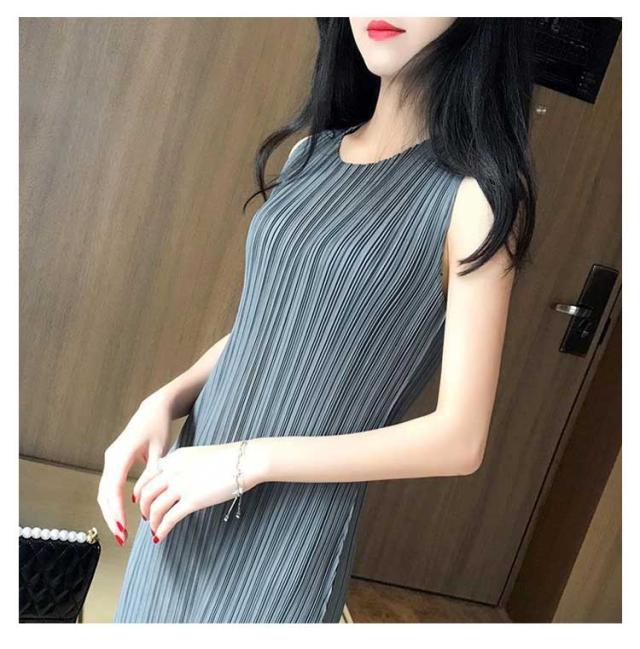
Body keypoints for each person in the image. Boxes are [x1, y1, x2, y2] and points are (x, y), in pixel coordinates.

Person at [102, 17, 536, 623]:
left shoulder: (473, 200)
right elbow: (269, 331)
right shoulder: (311, 153)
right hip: (186, 491)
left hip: (285, 543)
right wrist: (164, 400)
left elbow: (460, 439)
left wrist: (250, 462)